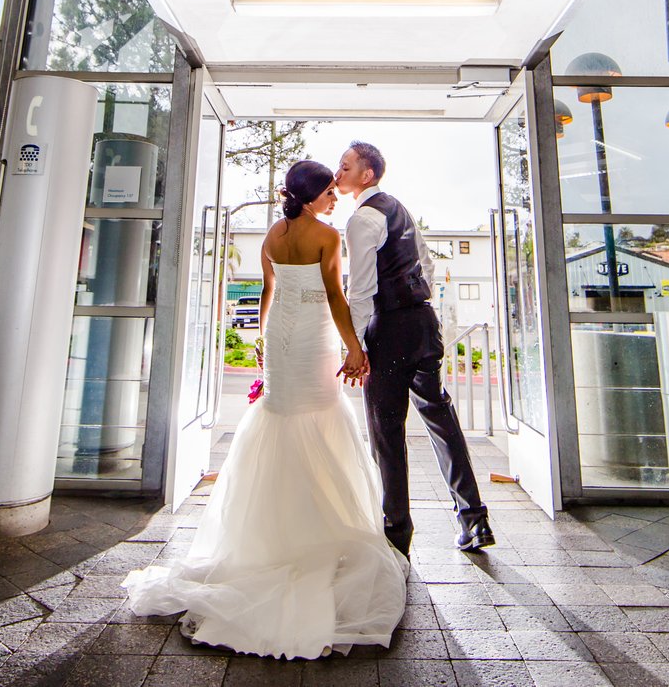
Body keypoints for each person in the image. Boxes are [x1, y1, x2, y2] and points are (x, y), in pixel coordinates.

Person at [124, 160, 407, 659]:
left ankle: (274, 535)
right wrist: (355, 349)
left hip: (279, 338)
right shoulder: (327, 236)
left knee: (281, 417)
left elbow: (267, 291)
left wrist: (261, 338)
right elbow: (336, 297)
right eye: (328, 191)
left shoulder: (273, 235)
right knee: (319, 416)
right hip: (313, 339)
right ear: (311, 195)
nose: (334, 197)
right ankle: (313, 531)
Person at [334, 141, 491, 558]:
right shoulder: (398, 208)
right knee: (440, 418)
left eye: (345, 166)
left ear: (366, 175)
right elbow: (428, 264)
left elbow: (361, 290)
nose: (337, 173)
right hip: (424, 323)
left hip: (389, 328)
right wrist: (418, 305)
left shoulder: (361, 219)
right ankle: (474, 520)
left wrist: (355, 345)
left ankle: (396, 535)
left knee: (387, 432)